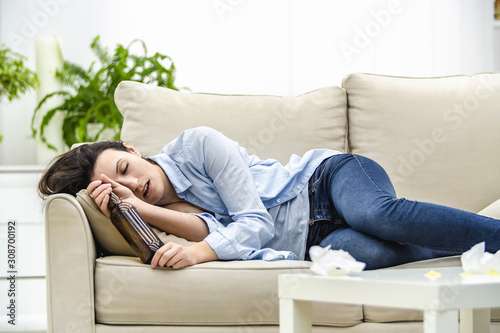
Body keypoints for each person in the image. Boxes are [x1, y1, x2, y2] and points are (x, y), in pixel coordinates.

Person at [39, 126, 500, 270]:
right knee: (372, 252)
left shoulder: (198, 144)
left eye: (125, 170)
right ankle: (471, 234)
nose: (133, 185)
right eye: (120, 190)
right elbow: (230, 237)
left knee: (376, 213)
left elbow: (253, 224)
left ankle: (494, 234)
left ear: (132, 150)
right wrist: (136, 210)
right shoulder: (159, 215)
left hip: (326, 182)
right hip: (314, 244)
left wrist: (200, 253)